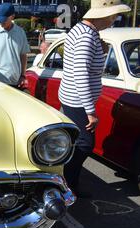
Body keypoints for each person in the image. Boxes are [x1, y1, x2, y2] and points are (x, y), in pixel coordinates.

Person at [58, 0, 131, 196]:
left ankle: (68, 182)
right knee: (85, 143)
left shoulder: (84, 31)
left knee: (74, 142)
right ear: (105, 15)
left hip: (72, 96)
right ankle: (66, 184)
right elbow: (80, 74)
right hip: (78, 100)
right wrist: (90, 111)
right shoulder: (86, 37)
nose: (115, 19)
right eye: (114, 15)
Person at [0, 3, 30, 89]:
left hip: (15, 81)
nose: (1, 22)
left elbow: (23, 56)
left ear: (12, 16)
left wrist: (23, 75)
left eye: (4, 19)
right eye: (0, 19)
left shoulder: (20, 32)